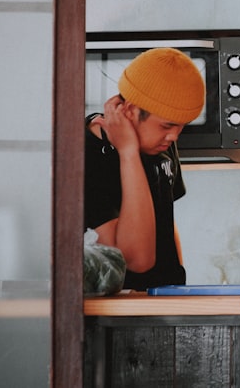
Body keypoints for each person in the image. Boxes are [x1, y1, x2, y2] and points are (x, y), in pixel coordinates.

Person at [84, 47, 205, 291]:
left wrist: (178, 286)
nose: (173, 136)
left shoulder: (160, 143)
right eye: (166, 126)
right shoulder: (86, 155)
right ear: (129, 110)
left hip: (165, 299)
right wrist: (128, 152)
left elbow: (167, 223)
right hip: (122, 309)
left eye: (181, 126)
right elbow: (134, 260)